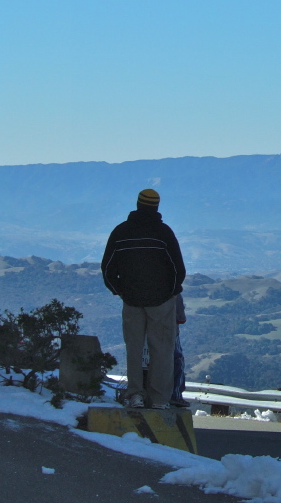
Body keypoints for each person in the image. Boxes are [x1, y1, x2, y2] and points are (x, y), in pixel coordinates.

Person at [98, 189, 193, 448]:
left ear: (138, 204)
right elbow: (178, 269)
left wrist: (121, 291)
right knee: (161, 348)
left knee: (134, 348)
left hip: (131, 300)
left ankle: (135, 395)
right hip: (161, 301)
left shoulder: (121, 232)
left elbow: (108, 268)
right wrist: (169, 293)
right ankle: (160, 398)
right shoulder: (164, 233)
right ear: (156, 206)